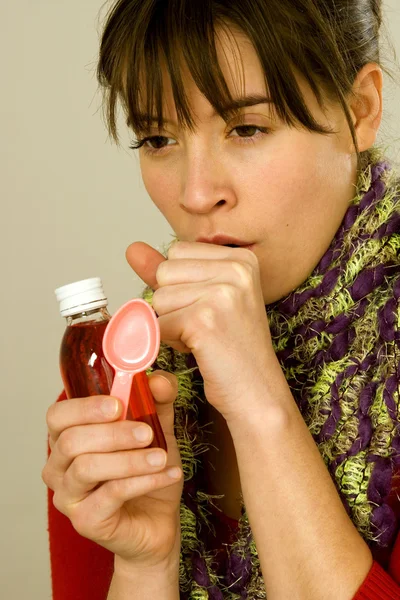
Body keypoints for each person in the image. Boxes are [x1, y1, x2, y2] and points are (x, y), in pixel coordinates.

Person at [42, 0, 400, 598]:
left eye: (248, 128)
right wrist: (142, 566)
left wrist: (261, 406)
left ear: (360, 110)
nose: (196, 192)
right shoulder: (118, 386)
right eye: (157, 138)